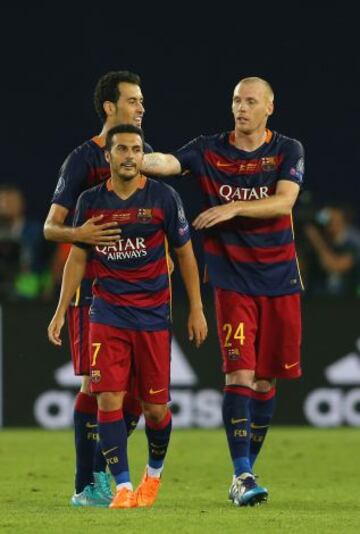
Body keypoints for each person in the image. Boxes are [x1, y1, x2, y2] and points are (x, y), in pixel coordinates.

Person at [141, 77, 304, 506]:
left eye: (251, 101)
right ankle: (242, 474)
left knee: (267, 382)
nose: (241, 108)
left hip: (280, 280)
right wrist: (132, 154)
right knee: (240, 376)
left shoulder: (288, 150)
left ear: (270, 106)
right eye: (236, 101)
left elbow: (284, 202)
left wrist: (233, 207)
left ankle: (247, 468)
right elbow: (167, 164)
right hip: (233, 282)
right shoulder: (208, 149)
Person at [48, 124, 207, 508]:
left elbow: (185, 254)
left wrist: (197, 308)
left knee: (155, 409)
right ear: (110, 156)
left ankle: (152, 478)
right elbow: (78, 257)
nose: (130, 155)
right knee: (107, 399)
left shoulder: (164, 198)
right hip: (107, 313)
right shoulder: (90, 202)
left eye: (136, 149)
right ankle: (121, 487)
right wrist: (60, 309)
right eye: (122, 149)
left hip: (152, 315)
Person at [43, 71, 152, 506]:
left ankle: (103, 470)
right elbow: (53, 228)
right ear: (110, 107)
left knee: (141, 393)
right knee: (96, 385)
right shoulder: (82, 160)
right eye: (133, 100)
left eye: (143, 100)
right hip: (94, 293)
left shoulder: (138, 155)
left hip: (140, 293)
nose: (142, 107)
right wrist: (81, 234)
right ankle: (85, 484)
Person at [303, 206, 360, 296]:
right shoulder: (326, 239)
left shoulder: (354, 242)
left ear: (342, 221)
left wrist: (316, 240)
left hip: (348, 299)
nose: (329, 225)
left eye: (332, 221)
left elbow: (335, 266)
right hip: (320, 297)